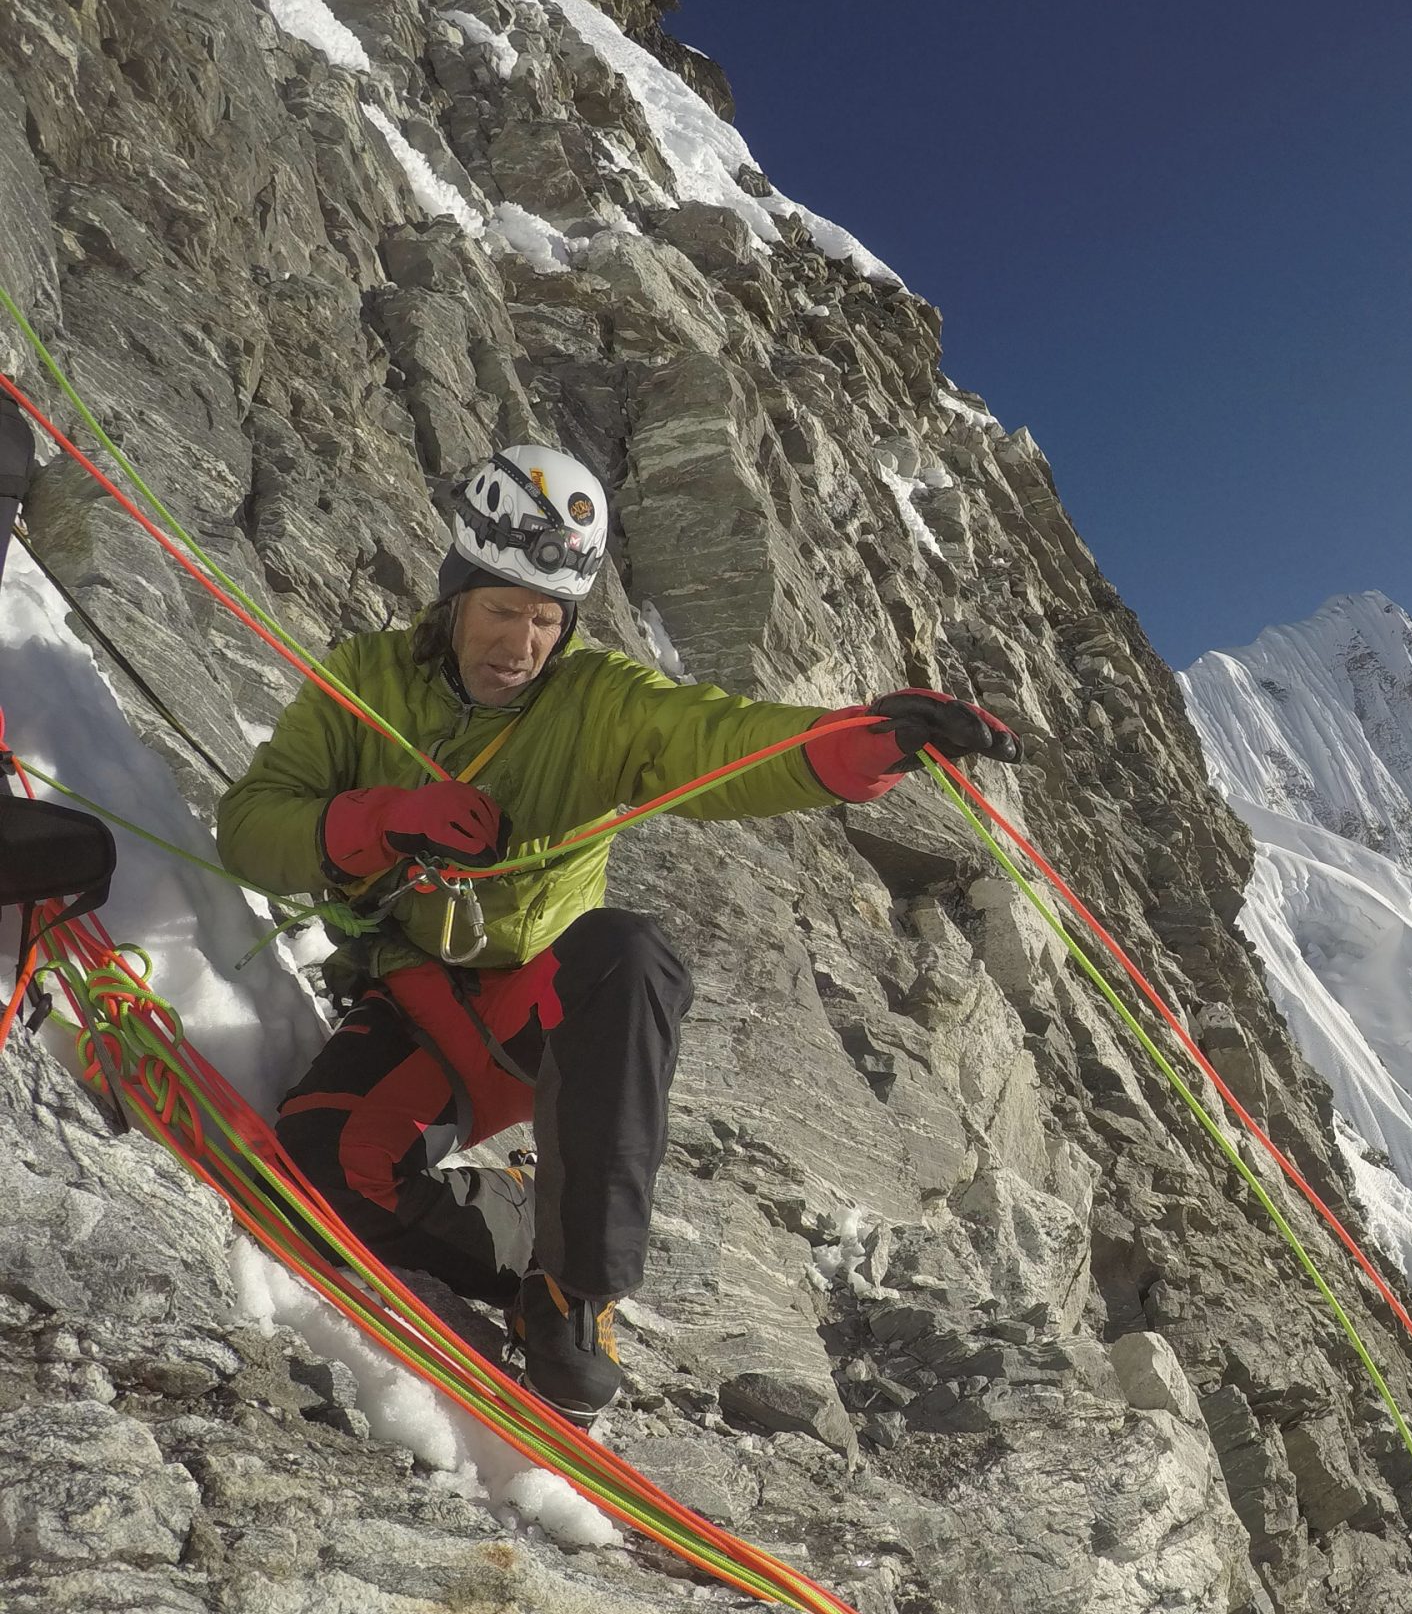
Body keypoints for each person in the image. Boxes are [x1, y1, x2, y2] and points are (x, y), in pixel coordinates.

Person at [217, 445, 1017, 1423]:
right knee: (315, 1173)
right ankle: (523, 1232)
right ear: (454, 591)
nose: (522, 643)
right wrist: (382, 818)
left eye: (547, 620)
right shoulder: (367, 680)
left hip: (539, 1010)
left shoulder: (594, 700)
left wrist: (863, 745)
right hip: (418, 1005)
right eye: (502, 609)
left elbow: (717, 741)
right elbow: (250, 828)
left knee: (628, 952)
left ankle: (572, 1292)